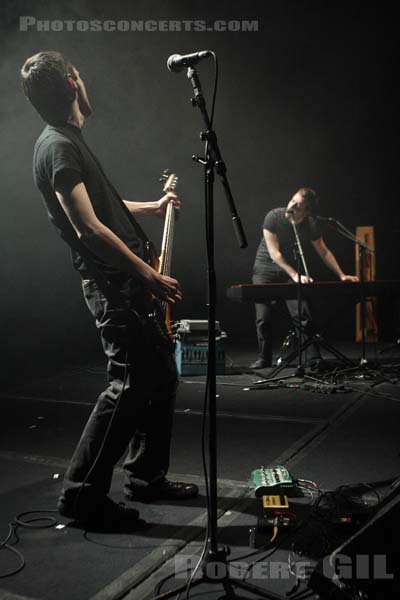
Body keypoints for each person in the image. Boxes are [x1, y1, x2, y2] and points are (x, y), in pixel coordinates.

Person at [21, 51, 198, 527]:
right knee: (126, 387)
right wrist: (149, 275)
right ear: (73, 82)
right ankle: (80, 497)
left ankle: (144, 477)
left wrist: (152, 208)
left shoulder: (68, 141)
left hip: (125, 283)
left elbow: (106, 208)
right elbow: (88, 229)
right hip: (113, 286)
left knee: (160, 377)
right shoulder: (58, 147)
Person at [250, 187, 358, 369]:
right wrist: (295, 275)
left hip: (290, 271)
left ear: (307, 211)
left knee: (302, 314)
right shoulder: (273, 217)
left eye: (298, 205)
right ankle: (264, 358)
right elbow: (274, 253)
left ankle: (313, 358)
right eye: (292, 200)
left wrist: (341, 275)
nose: (291, 206)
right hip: (265, 269)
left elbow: (323, 251)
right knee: (263, 317)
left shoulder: (311, 224)